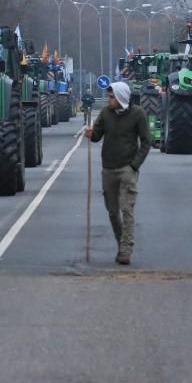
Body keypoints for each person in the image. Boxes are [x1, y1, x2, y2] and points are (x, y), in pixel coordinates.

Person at [83, 80, 151, 265]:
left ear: (121, 97)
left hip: (127, 170)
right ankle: (121, 243)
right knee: (112, 212)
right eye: (109, 96)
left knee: (127, 209)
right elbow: (97, 136)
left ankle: (126, 249)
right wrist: (90, 133)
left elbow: (146, 142)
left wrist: (134, 166)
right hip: (108, 170)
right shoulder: (106, 114)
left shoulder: (138, 115)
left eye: (112, 97)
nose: (109, 100)